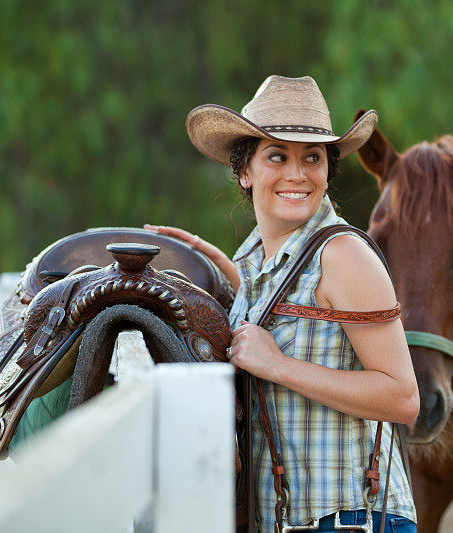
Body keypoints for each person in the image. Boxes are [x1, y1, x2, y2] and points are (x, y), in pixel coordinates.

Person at [146, 75, 418, 533]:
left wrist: (279, 366)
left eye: (312, 158)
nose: (297, 174)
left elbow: (403, 397)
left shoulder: (344, 255)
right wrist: (225, 273)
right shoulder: (255, 258)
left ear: (328, 171)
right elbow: (298, 322)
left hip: (350, 519)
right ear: (245, 172)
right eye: (277, 156)